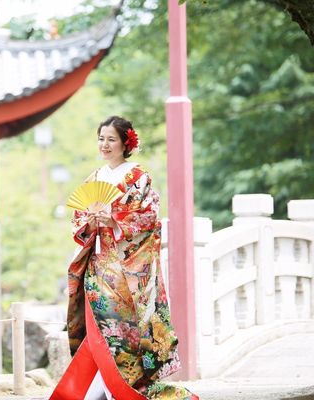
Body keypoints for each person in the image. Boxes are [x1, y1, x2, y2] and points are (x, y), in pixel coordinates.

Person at [50, 116, 198, 400]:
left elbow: (149, 218)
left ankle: (120, 389)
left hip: (126, 271)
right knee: (100, 331)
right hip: (98, 265)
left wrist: (115, 220)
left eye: (111, 139)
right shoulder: (95, 178)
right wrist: (90, 222)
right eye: (101, 139)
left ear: (125, 143)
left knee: (121, 334)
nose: (104, 145)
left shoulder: (138, 177)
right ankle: (100, 391)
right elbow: (78, 220)